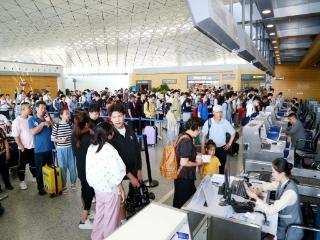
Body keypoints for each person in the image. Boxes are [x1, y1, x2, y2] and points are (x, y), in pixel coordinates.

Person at [246, 158, 303, 240]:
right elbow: (271, 185)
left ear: (282, 173)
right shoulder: (284, 182)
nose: (272, 174)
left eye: (273, 172)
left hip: (290, 231)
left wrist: (256, 198)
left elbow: (271, 210)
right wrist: (259, 189)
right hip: (282, 224)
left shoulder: (290, 193)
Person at [86, 122, 126, 240]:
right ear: (108, 135)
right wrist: (122, 189)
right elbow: (116, 172)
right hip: (110, 190)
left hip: (98, 188)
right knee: (111, 219)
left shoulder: (91, 147)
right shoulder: (109, 149)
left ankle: (96, 237)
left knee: (100, 215)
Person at [109, 103, 143, 221]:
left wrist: (139, 170)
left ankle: (130, 209)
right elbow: (117, 161)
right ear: (110, 119)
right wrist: (130, 176)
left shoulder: (129, 129)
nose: (117, 119)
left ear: (124, 116)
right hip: (119, 174)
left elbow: (137, 150)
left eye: (119, 116)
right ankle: (122, 221)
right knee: (120, 197)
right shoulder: (110, 135)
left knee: (133, 193)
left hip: (134, 169)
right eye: (114, 117)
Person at [173, 118, 203, 209]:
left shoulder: (182, 135)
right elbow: (184, 162)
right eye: (199, 129)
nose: (199, 132)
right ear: (193, 128)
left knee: (179, 199)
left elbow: (184, 153)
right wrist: (198, 164)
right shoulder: (187, 141)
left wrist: (198, 154)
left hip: (180, 175)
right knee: (184, 202)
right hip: (184, 177)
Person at [72, 111, 95, 229]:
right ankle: (84, 218)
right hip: (90, 169)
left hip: (80, 167)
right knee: (90, 191)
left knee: (85, 189)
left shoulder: (74, 135)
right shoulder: (90, 137)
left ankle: (87, 211)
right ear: (86, 124)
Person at [28, 101, 54, 195]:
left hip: (50, 148)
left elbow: (54, 128)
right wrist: (43, 124)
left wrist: (49, 120)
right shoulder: (32, 120)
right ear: (37, 108)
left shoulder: (47, 118)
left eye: (44, 108)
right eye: (41, 108)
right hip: (40, 150)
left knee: (51, 168)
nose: (43, 110)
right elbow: (33, 132)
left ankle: (51, 185)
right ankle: (40, 188)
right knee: (40, 170)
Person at [201, 105, 235, 174]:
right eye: (217, 112)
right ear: (213, 113)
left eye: (221, 112)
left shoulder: (225, 122)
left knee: (221, 168)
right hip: (210, 149)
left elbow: (233, 133)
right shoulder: (208, 122)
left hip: (222, 149)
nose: (220, 114)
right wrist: (202, 149)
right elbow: (203, 136)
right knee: (207, 167)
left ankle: (220, 182)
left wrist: (229, 144)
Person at [51, 109, 77, 193]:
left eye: (68, 114)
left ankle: (73, 183)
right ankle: (64, 185)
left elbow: (74, 135)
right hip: (60, 149)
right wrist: (61, 140)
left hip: (70, 148)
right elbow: (52, 138)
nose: (68, 115)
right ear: (61, 115)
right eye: (66, 114)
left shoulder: (70, 124)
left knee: (72, 166)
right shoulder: (56, 125)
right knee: (62, 167)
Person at [11, 102, 36, 190]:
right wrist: (21, 147)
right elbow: (16, 136)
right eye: (29, 107)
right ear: (23, 109)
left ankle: (34, 176)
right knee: (22, 165)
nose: (31, 108)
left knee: (33, 163)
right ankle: (22, 181)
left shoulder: (31, 118)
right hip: (23, 148)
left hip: (33, 146)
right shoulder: (17, 121)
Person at [0, 127, 13, 192]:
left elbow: (5, 141)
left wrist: (7, 152)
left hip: (2, 154)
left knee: (5, 170)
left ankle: (7, 184)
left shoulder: (0, 129)